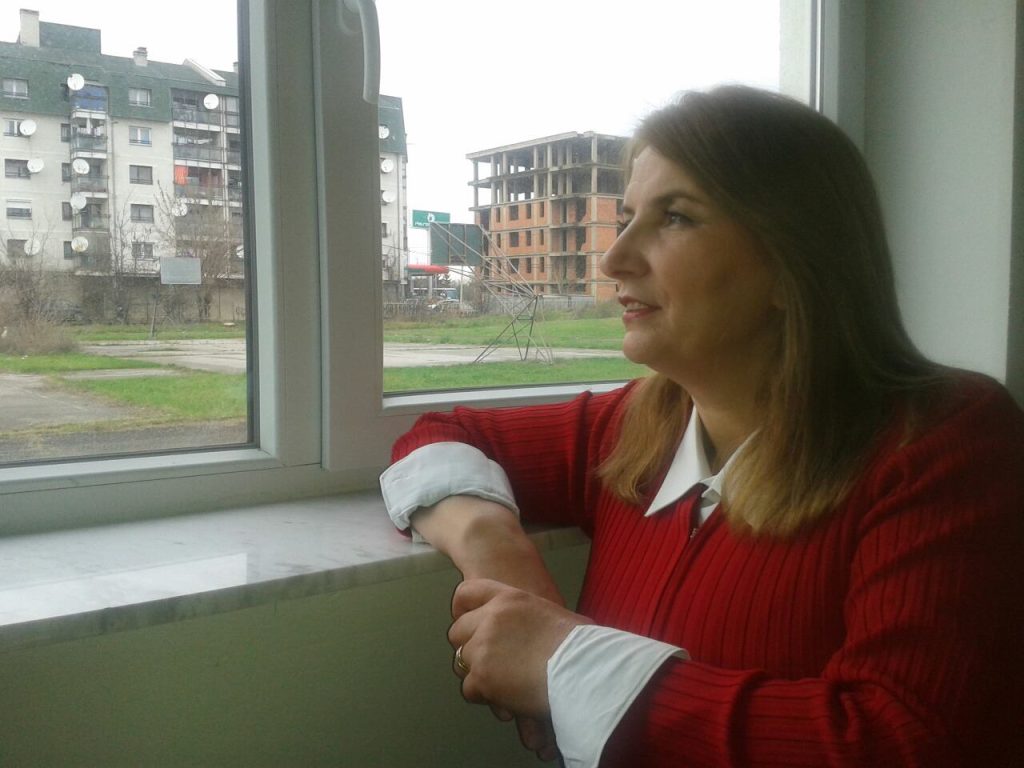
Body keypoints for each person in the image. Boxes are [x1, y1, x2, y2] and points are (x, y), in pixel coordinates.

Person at [379, 85, 1024, 767]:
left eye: (676, 218)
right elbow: (438, 433)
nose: (614, 259)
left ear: (794, 262)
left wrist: (566, 663)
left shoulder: (945, 444)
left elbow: (904, 740)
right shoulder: (635, 428)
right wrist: (498, 553)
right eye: (627, 217)